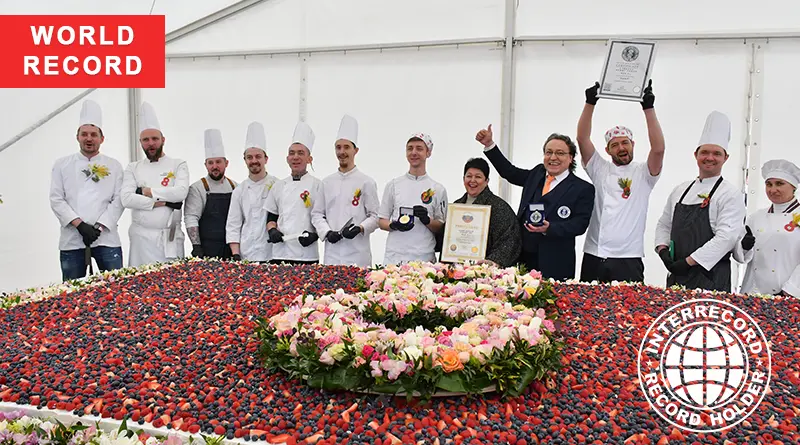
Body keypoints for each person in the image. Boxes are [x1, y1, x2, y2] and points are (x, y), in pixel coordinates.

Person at [476, 125, 594, 280]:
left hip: (556, 262)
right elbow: (509, 173)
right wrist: (489, 145)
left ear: (571, 158)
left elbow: (579, 225)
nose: (553, 157)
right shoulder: (537, 173)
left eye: (560, 153)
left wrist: (549, 228)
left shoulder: (582, 188)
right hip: (524, 258)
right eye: (549, 152)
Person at [576, 80, 665, 283]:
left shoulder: (644, 173)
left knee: (630, 313)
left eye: (625, 142)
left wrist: (648, 108)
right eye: (614, 145)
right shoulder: (599, 168)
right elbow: (582, 139)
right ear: (607, 150)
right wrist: (590, 103)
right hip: (595, 253)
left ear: (633, 144)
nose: (621, 147)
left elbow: (658, 149)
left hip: (628, 258)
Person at [655, 111, 746, 292]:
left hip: (711, 278)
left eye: (716, 153)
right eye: (704, 152)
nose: (709, 158)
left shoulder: (730, 194)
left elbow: (726, 238)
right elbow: (664, 224)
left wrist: (688, 262)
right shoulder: (680, 190)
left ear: (725, 158)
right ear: (695, 154)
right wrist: (663, 250)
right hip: (677, 274)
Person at [49, 99, 125, 281]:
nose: (89, 138)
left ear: (102, 138)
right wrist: (80, 225)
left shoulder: (114, 166)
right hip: (72, 239)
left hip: (106, 237)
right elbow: (56, 199)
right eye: (84, 134)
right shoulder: (62, 165)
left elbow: (119, 199)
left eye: (93, 134)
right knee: (72, 292)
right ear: (77, 137)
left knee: (116, 288)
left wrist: (99, 226)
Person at [121, 102, 190, 267]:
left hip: (170, 236)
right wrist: (160, 202)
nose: (151, 143)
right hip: (141, 239)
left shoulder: (178, 164)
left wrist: (145, 191)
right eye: (146, 140)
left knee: (171, 286)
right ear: (140, 142)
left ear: (163, 140)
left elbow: (181, 193)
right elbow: (126, 199)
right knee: (139, 285)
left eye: (154, 139)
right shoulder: (133, 167)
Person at [311, 115, 380, 267]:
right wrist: (327, 232)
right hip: (332, 254)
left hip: (358, 254)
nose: (342, 152)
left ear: (356, 150)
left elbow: (375, 216)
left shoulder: (366, 182)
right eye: (338, 147)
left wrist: (360, 228)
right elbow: (317, 214)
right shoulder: (326, 182)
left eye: (346, 147)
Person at [733, 159, 800, 296]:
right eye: (768, 184)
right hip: (752, 292)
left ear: (794, 187)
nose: (772, 190)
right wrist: (744, 247)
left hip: (788, 294)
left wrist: (789, 291)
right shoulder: (756, 217)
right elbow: (741, 257)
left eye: (779, 184)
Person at [378, 133, 448, 264]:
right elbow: (382, 221)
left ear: (428, 153)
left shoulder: (438, 189)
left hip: (424, 256)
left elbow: (440, 226)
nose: (414, 152)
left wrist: (427, 220)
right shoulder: (393, 185)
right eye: (410, 148)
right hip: (396, 256)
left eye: (419, 148)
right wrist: (393, 225)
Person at [264, 122, 324, 264]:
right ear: (287, 159)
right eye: (292, 153)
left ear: (309, 159)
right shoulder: (278, 185)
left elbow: (323, 217)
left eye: (300, 153)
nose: (295, 157)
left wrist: (315, 235)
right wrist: (272, 231)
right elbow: (271, 217)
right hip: (280, 253)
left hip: (306, 254)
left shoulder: (318, 185)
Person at [452, 157, 522, 267]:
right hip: (458, 267)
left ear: (486, 181)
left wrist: (493, 261)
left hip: (485, 273)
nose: (472, 180)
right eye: (469, 176)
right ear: (463, 179)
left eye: (478, 177)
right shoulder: (457, 207)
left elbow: (510, 239)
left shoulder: (499, 207)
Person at [226, 122, 279, 262]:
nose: (254, 161)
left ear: (266, 159)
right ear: (245, 160)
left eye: (258, 156)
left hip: (274, 253)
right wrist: (236, 254)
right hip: (247, 253)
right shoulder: (239, 190)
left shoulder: (278, 185)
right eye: (250, 157)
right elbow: (233, 224)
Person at [184, 129, 237, 259]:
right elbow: (191, 217)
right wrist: (196, 246)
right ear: (205, 165)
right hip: (207, 249)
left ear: (226, 163)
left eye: (218, 162)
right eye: (210, 163)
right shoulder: (197, 188)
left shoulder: (235, 187)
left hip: (231, 248)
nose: (214, 166)